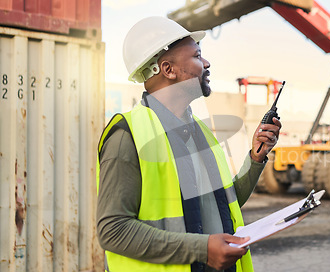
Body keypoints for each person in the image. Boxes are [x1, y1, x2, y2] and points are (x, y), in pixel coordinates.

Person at [96, 17, 282, 272]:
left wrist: (256, 158)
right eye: (197, 56)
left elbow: (223, 205)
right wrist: (201, 249)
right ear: (168, 69)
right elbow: (112, 230)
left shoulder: (200, 131)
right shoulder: (127, 135)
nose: (206, 63)